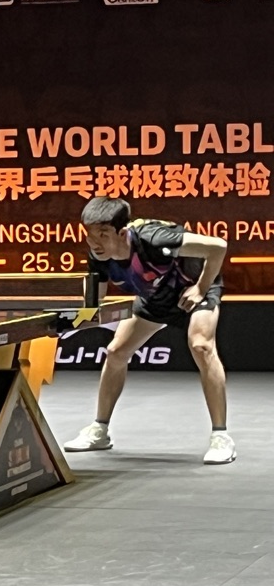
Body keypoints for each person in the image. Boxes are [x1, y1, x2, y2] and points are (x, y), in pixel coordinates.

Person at [63, 196, 235, 464]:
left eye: (103, 234)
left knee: (201, 345)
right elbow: (95, 303)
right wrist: (69, 321)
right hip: (154, 298)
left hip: (193, 291)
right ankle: (99, 430)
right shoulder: (99, 256)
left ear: (122, 232)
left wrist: (201, 288)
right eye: (90, 234)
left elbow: (218, 246)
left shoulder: (154, 239)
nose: (94, 241)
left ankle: (221, 437)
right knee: (116, 351)